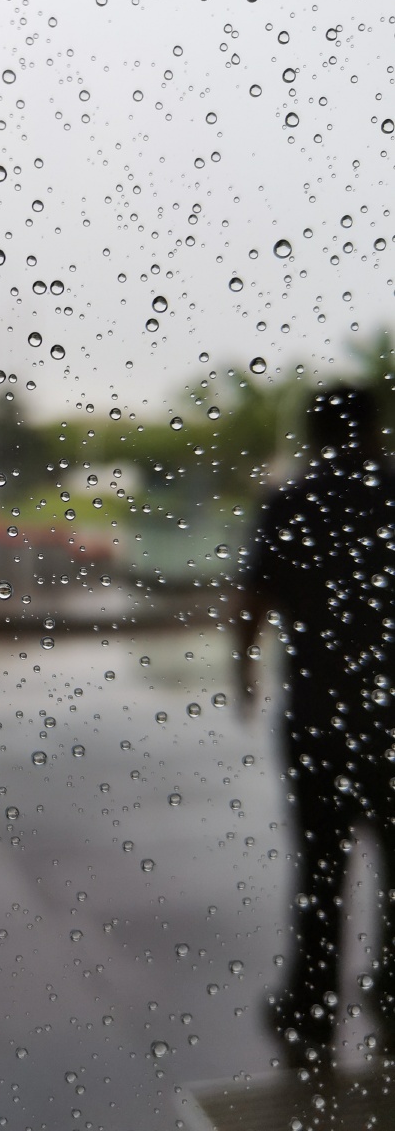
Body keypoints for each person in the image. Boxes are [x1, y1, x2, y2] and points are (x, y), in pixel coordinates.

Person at [237, 386, 395, 1062]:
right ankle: (391, 986)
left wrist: (241, 671)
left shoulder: (291, 499)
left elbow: (255, 596)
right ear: (373, 429)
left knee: (321, 867)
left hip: (316, 717)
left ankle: (310, 1003)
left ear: (313, 431)